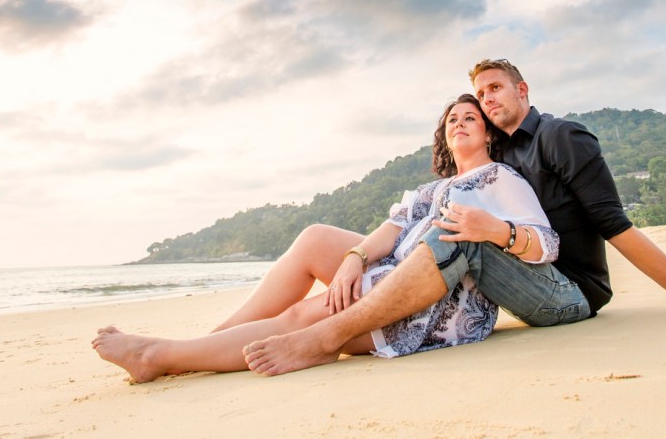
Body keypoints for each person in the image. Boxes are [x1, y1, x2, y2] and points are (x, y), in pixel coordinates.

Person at [243, 58, 666, 376]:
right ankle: (225, 336)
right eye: (479, 94)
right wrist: (357, 254)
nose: (487, 99)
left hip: (569, 291)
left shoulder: (561, 136)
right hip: (511, 278)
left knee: (462, 233)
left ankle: (326, 337)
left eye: (495, 88)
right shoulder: (500, 159)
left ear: (523, 91)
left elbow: (614, 224)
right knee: (326, 239)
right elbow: (410, 226)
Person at [92, 93, 558, 382]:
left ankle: (157, 356)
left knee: (303, 313)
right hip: (397, 265)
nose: (459, 122)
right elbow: (389, 232)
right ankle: (213, 342)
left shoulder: (500, 178)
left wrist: (497, 231)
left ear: (489, 134)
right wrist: (355, 257)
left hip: (439, 300)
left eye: (470, 118)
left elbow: (546, 245)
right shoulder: (431, 189)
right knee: (316, 238)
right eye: (452, 118)